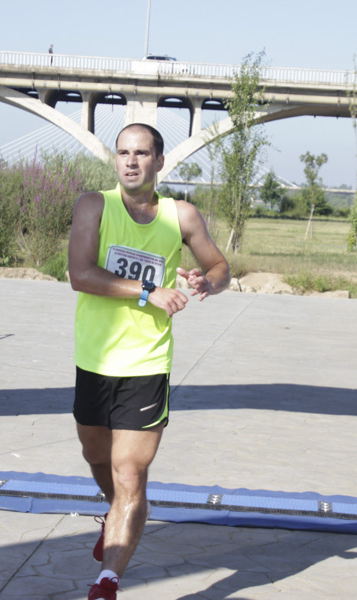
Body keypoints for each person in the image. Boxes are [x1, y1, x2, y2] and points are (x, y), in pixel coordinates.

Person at [67, 123, 230, 600]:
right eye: (123, 153)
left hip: (147, 364)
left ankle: (107, 581)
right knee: (97, 457)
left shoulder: (182, 216)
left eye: (141, 153)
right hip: (95, 359)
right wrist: (148, 291)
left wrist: (206, 283)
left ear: (160, 162)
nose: (131, 161)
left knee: (130, 473)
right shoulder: (93, 205)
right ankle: (118, 514)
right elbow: (80, 274)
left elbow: (220, 268)